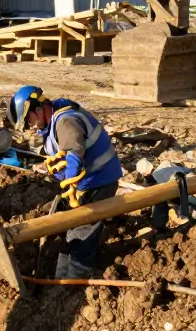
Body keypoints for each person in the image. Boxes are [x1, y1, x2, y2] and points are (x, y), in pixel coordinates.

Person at [7, 86, 122, 278]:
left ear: (38, 110)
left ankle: (77, 279)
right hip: (86, 183)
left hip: (100, 181)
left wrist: (69, 184)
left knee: (83, 230)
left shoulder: (66, 121)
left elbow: (74, 154)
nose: (31, 128)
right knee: (69, 229)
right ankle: (60, 279)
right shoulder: (52, 122)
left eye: (29, 122)